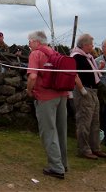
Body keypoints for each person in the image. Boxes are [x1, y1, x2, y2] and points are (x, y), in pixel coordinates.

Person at [26, 30, 68, 179]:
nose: (29, 44)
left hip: (45, 97)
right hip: (62, 95)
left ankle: (56, 168)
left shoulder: (35, 54)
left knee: (49, 131)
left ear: (37, 42)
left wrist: (29, 90)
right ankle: (63, 163)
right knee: (61, 130)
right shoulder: (55, 53)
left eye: (30, 41)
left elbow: (32, 76)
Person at [70, 34, 106, 160]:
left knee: (95, 121)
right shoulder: (76, 57)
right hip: (84, 90)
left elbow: (91, 73)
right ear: (85, 45)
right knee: (84, 121)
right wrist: (82, 90)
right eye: (91, 44)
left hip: (93, 90)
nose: (92, 46)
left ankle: (95, 147)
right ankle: (83, 149)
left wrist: (99, 69)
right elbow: (74, 75)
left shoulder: (88, 57)